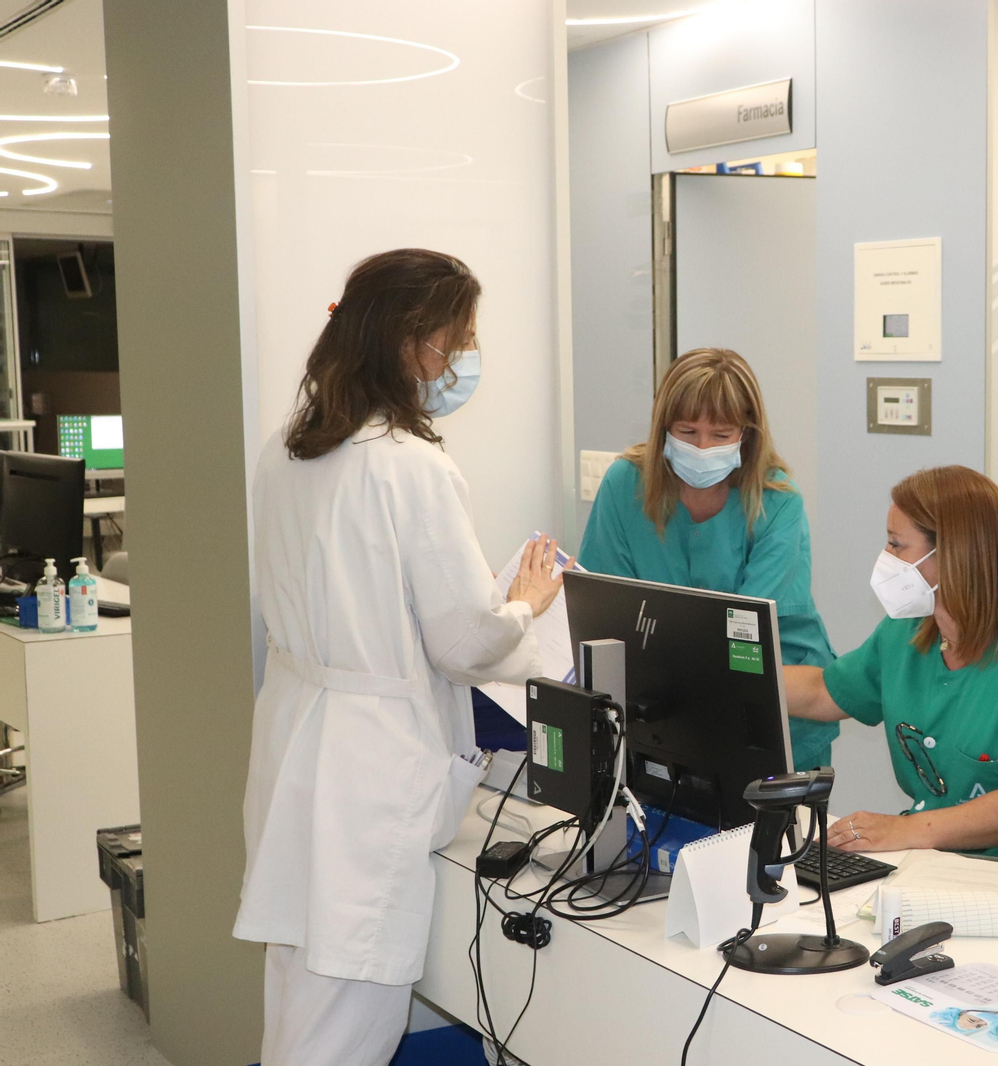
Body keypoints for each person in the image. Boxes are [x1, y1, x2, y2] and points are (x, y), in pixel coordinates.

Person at [234, 249, 569, 1065]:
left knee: (300, 990)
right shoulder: (413, 466)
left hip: (297, 739)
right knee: (346, 1018)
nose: (464, 358)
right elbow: (460, 643)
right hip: (369, 767)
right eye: (463, 338)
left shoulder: (286, 451)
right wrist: (527, 600)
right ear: (418, 341)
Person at [784, 466, 998, 903]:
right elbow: (822, 692)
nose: (884, 557)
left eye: (896, 544)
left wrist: (904, 830)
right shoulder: (908, 633)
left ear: (955, 554)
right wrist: (730, 674)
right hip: (942, 855)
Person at [579, 348, 838, 770]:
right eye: (687, 431)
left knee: (771, 830)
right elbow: (606, 610)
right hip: (661, 706)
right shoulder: (625, 484)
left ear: (747, 434)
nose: (702, 447)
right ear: (664, 427)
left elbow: (743, 636)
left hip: (771, 706)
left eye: (720, 435)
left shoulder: (776, 500)